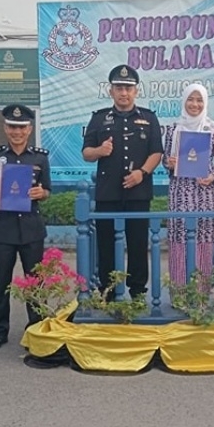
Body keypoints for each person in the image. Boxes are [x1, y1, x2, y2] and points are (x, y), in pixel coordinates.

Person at [82, 64, 163, 299]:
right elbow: (86, 153)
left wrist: (142, 173)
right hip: (108, 193)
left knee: (138, 244)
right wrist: (100, 150)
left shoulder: (148, 118)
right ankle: (108, 291)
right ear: (111, 91)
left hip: (138, 193)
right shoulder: (99, 119)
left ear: (136, 91)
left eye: (128, 88)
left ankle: (137, 292)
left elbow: (156, 152)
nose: (124, 93)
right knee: (105, 245)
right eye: (119, 87)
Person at [0, 104, 51, 350]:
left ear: (29, 129)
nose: (17, 132)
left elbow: (47, 190)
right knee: (1, 281)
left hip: (31, 228)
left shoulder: (40, 157)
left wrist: (42, 192)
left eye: (21, 127)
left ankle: (36, 329)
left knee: (35, 281)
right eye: (12, 126)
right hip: (2, 229)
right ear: (5, 128)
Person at [162, 83, 214, 284]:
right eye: (190, 99)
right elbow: (166, 158)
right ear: (184, 101)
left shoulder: (213, 128)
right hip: (180, 195)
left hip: (203, 194)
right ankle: (180, 295)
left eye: (199, 100)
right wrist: (170, 162)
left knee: (203, 242)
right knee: (179, 242)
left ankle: (200, 295)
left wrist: (213, 176)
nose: (195, 104)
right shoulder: (174, 128)